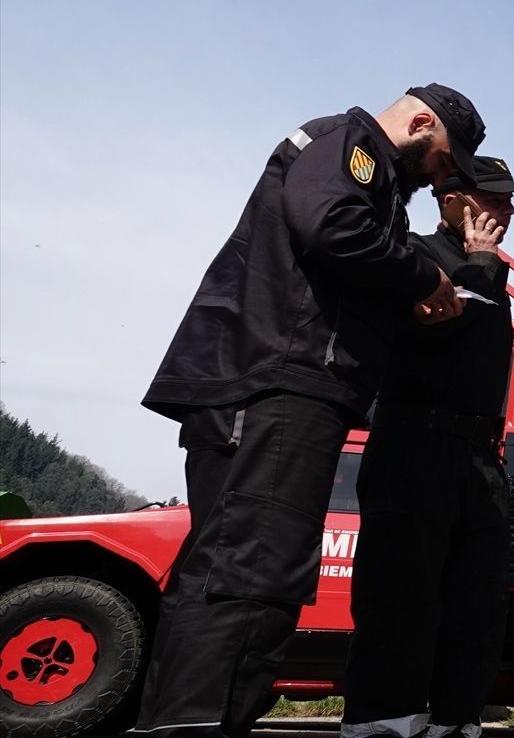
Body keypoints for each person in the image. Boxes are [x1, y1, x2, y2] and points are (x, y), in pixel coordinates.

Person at [135, 85, 487, 738]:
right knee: (252, 574)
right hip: (280, 384)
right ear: (418, 123)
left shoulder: (365, 171)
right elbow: (328, 223)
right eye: (441, 161)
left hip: (274, 385)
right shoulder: (353, 149)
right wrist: (421, 276)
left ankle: (181, 721)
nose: (438, 179)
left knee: (228, 571)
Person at [341, 155, 514, 738]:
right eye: (493, 197)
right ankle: (382, 725)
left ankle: (456, 724)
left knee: (477, 605)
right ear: (450, 199)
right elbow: (445, 323)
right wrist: (478, 266)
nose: (507, 209)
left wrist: (484, 267)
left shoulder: (488, 272)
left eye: (510, 200)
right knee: (401, 600)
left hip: (476, 457)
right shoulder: (415, 254)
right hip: (415, 445)